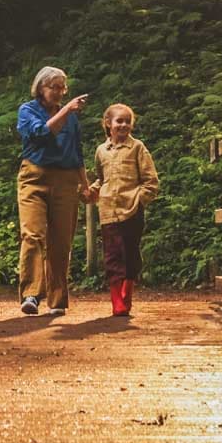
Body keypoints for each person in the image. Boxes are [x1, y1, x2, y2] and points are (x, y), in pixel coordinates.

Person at [16, 66, 91, 316]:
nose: (59, 92)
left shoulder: (71, 118)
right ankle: (31, 294)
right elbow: (40, 134)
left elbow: (77, 153)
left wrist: (86, 184)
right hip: (34, 177)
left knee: (61, 241)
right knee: (32, 234)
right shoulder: (27, 110)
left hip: (67, 179)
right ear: (41, 88)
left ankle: (57, 299)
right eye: (54, 87)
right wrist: (68, 109)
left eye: (62, 87)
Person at [87, 103, 159, 317]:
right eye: (119, 121)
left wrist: (139, 200)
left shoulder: (137, 147)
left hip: (132, 210)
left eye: (128, 121)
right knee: (112, 255)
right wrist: (92, 190)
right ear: (108, 124)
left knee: (130, 254)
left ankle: (128, 290)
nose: (124, 125)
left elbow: (151, 181)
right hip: (108, 211)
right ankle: (116, 300)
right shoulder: (101, 151)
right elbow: (102, 178)